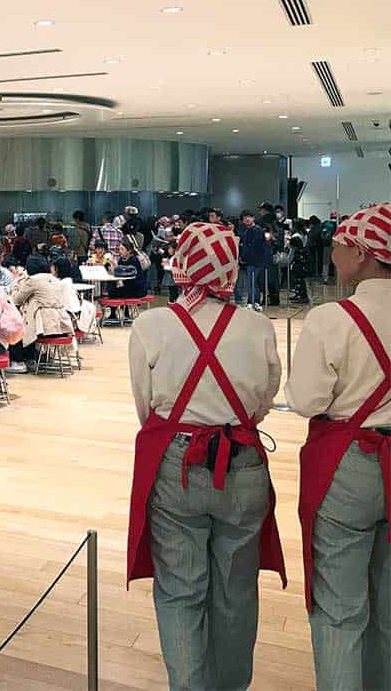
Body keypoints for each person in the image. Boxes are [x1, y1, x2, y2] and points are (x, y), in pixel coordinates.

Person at [126, 221, 285, 691]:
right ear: (231, 268)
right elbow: (264, 400)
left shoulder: (152, 325)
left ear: (180, 263)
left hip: (176, 462)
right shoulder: (257, 326)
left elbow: (145, 406)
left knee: (180, 589)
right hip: (243, 461)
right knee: (236, 589)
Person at [285, 203, 391, 690]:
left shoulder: (333, 318)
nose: (332, 252)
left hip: (348, 462)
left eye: (340, 245)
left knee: (339, 609)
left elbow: (306, 401)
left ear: (365, 254)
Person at [11, 255, 74, 371]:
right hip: (61, 324)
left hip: (44, 326)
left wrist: (16, 281)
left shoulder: (33, 280)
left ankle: (18, 361)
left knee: (18, 324)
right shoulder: (55, 279)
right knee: (28, 320)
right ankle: (31, 359)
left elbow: (16, 299)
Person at [236, 211, 269, 311]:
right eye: (245, 218)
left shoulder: (257, 230)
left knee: (252, 281)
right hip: (250, 261)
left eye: (249, 217)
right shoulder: (247, 231)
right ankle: (255, 302)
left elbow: (255, 246)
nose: (247, 219)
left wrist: (244, 257)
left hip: (256, 260)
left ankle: (252, 302)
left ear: (253, 218)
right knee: (253, 282)